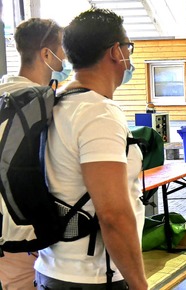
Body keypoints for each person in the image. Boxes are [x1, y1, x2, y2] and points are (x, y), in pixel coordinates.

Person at [33, 8, 148, 290]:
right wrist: (140, 285)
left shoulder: (55, 102)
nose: (129, 58)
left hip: (53, 268)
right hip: (92, 278)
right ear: (115, 52)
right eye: (128, 48)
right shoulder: (98, 114)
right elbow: (113, 215)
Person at [0, 17, 69, 290]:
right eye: (62, 50)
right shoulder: (40, 102)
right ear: (45, 54)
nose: (65, 58)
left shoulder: (5, 94)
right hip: (24, 232)